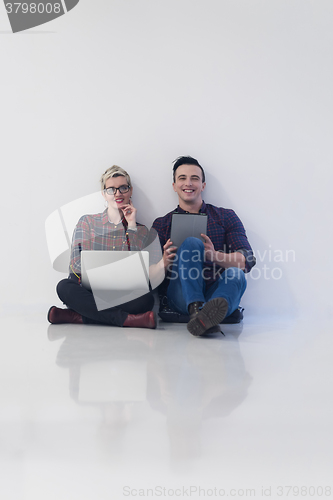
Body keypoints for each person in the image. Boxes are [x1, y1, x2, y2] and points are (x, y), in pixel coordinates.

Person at [152, 156, 256, 337]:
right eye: (182, 178)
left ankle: (205, 315)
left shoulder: (226, 217)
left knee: (236, 274)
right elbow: (148, 275)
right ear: (174, 185)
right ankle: (197, 310)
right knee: (192, 243)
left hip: (218, 293)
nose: (188, 183)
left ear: (203, 185)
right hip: (181, 296)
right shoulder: (162, 224)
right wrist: (163, 263)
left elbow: (246, 261)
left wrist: (214, 256)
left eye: (195, 178)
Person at [48, 166, 157, 329]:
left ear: (130, 191)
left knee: (147, 300)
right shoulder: (87, 222)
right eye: (111, 189)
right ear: (104, 194)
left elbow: (139, 268)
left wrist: (131, 225)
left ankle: (78, 316)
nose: (118, 193)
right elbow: (75, 265)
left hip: (122, 292)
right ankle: (126, 319)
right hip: (90, 291)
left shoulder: (140, 229)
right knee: (64, 287)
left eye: (123, 188)